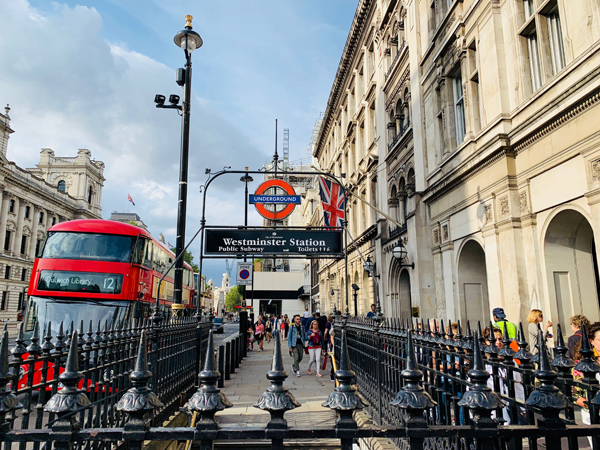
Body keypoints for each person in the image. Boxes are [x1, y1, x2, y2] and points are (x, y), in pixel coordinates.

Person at [572, 321, 600, 448]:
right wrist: (590, 405)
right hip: (592, 415)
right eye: (599, 339)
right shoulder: (582, 365)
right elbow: (575, 395)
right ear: (591, 341)